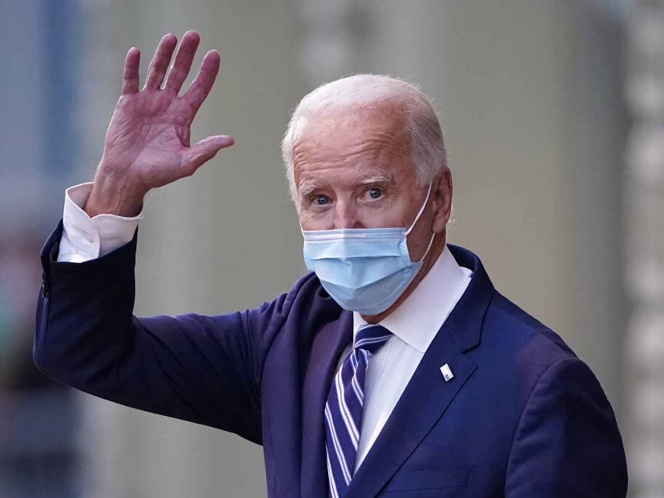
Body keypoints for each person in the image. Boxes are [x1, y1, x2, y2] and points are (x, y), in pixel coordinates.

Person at [34, 31, 628, 497]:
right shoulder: (293, 339)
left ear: (440, 198)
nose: (344, 225)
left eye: (372, 192)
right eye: (319, 200)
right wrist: (116, 190)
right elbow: (85, 350)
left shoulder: (537, 386)